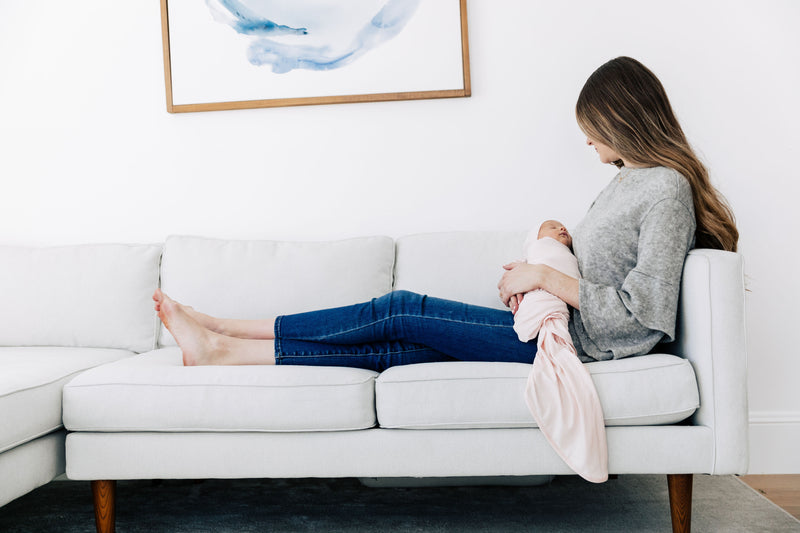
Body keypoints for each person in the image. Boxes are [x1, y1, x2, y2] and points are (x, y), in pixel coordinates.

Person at [154, 56, 738, 370]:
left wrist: (544, 277)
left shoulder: (664, 187)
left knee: (400, 311)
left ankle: (229, 326)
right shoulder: (627, 181)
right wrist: (551, 243)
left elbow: (649, 311)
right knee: (399, 351)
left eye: (591, 128)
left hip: (575, 343)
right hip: (556, 324)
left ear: (621, 117)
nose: (586, 140)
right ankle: (224, 350)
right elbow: (599, 271)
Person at [512, 219, 579, 342]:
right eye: (553, 227)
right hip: (534, 297)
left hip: (563, 310)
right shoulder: (537, 249)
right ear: (535, 239)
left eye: (564, 228)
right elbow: (516, 272)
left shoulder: (570, 255)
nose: (562, 229)